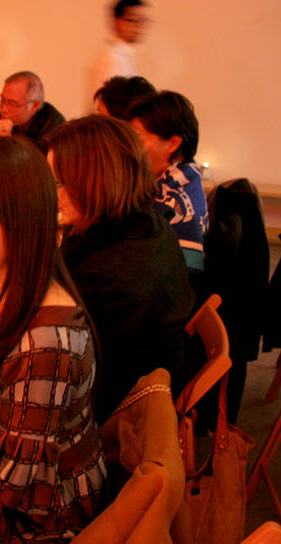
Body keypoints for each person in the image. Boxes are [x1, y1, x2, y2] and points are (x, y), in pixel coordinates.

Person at [0, 137, 107, 541]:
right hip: (12, 477)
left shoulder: (47, 338)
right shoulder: (3, 285)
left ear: (20, 220)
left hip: (44, 517)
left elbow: (22, 465)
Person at [46, 116, 195, 422]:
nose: (52, 194)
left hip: (109, 418)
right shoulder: (145, 222)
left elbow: (56, 365)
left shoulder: (106, 277)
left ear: (93, 183)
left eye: (58, 183)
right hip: (136, 383)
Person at [125, 91, 207, 275]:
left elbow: (185, 274)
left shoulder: (173, 202)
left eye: (137, 139)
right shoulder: (185, 174)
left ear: (173, 143)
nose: (129, 148)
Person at [88, 0, 151, 106]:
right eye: (133, 20)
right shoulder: (111, 57)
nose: (139, 26)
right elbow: (109, 106)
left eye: (143, 20)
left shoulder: (124, 55)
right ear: (116, 21)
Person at [0, 71, 64, 153]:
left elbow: (37, 160)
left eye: (12, 104)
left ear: (35, 106)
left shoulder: (53, 127)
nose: (4, 109)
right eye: (2, 101)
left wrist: (5, 142)